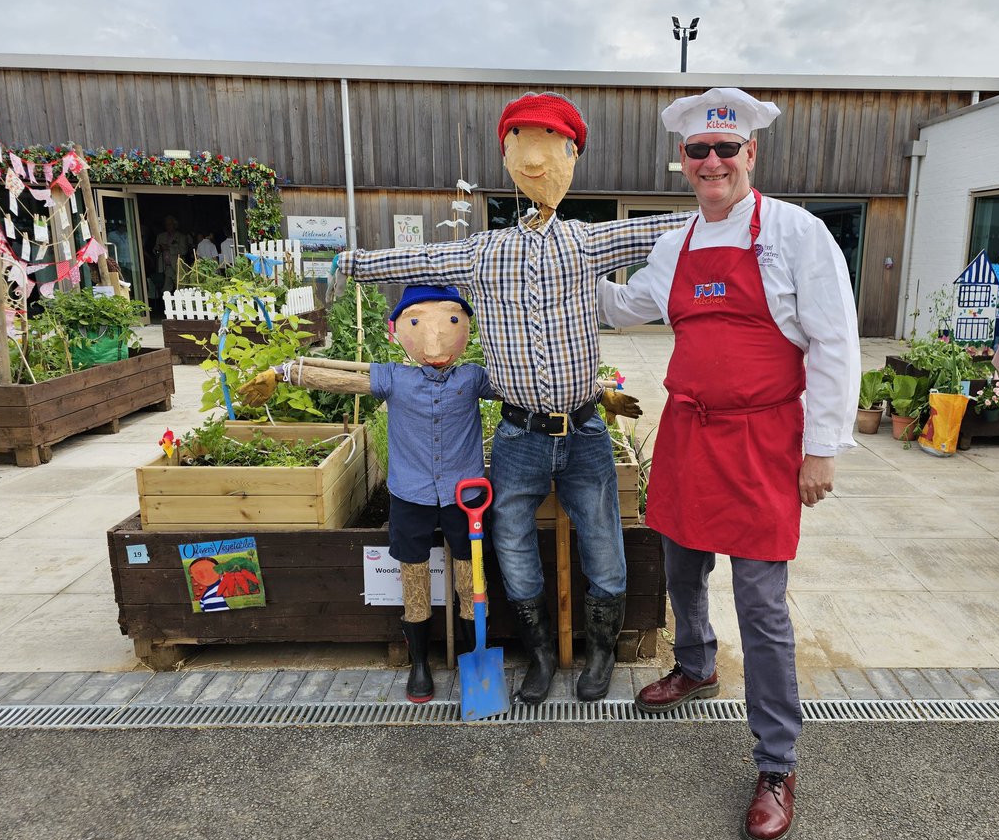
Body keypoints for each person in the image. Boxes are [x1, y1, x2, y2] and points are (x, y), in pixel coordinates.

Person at [337, 92, 684, 705]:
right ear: (508, 156)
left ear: (570, 156)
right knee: (512, 543)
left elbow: (653, 230)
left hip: (582, 431)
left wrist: (730, 210)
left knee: (603, 539)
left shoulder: (585, 243)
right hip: (520, 436)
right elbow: (420, 258)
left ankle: (600, 652)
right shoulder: (484, 251)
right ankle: (542, 654)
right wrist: (357, 264)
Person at [596, 87, 859, 840]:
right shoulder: (676, 242)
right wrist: (560, 274)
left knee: (763, 602)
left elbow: (836, 344)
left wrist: (821, 448)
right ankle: (696, 664)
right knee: (679, 561)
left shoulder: (794, 234)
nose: (712, 162)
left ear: (751, 154)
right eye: (697, 151)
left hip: (764, 439)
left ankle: (777, 764)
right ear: (683, 161)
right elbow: (629, 306)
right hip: (689, 430)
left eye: (726, 149)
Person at [238, 285, 497, 703]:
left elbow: (525, 387)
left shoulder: (473, 378)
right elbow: (342, 379)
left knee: (471, 579)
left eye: (451, 322)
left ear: (465, 327)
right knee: (413, 579)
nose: (435, 340)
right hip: (409, 494)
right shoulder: (395, 378)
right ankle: (419, 664)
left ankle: (474, 656)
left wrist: (593, 392)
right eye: (419, 325)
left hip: (464, 497)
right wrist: (282, 373)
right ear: (399, 331)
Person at [153, 215, 191, 295]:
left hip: (178, 266)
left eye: (170, 224)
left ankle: (181, 305)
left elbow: (184, 251)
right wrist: (158, 249)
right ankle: (165, 306)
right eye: (166, 224)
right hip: (165, 267)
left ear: (175, 225)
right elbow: (155, 250)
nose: (168, 226)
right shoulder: (161, 236)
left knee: (181, 289)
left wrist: (168, 248)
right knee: (165, 290)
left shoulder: (181, 237)